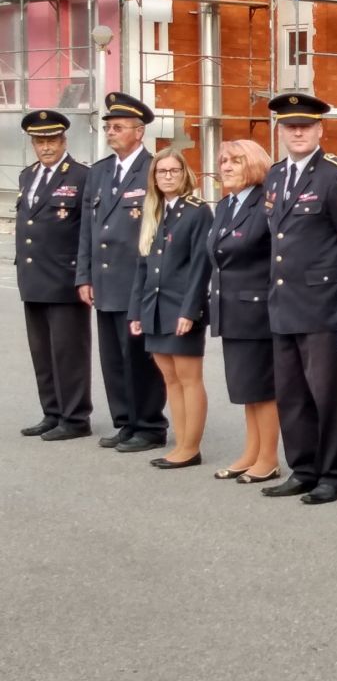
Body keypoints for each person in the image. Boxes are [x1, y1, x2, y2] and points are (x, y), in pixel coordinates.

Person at [260, 92, 337, 504]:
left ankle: (334, 474)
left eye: (304, 126)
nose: (297, 132)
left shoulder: (336, 176)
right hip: (284, 302)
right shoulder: (275, 175)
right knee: (291, 394)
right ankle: (303, 469)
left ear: (320, 129)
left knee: (328, 395)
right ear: (280, 131)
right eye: (289, 126)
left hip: (324, 305)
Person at [76, 92, 169, 453]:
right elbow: (89, 228)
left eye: (118, 127)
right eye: (108, 127)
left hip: (138, 280)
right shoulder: (99, 171)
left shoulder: (155, 168)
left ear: (139, 131)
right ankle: (125, 421)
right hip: (104, 280)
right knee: (113, 357)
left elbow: (163, 228)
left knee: (140, 356)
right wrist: (84, 275)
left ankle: (149, 425)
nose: (110, 133)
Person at [128, 149, 214, 469]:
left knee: (189, 378)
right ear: (153, 177)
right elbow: (142, 266)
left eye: (173, 170)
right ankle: (180, 444)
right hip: (154, 306)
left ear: (184, 173)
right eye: (161, 171)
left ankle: (191, 448)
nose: (167, 176)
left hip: (181, 308)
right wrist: (136, 312)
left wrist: (190, 311)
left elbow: (200, 266)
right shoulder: (154, 209)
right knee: (170, 378)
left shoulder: (197, 211)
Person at [15, 110, 93, 441]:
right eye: (39, 141)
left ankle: (75, 418)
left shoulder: (81, 176)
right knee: (42, 352)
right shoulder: (27, 175)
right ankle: (52, 412)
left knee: (69, 352)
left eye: (51, 140)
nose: (45, 147)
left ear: (64, 141)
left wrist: (85, 275)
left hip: (64, 279)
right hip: (33, 277)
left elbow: (87, 232)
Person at [208, 140, 281, 483]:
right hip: (231, 309)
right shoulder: (226, 205)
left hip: (256, 311)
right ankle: (251, 452)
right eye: (223, 161)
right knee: (246, 389)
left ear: (252, 165)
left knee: (263, 389)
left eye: (235, 161)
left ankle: (268, 458)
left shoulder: (266, 203)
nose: (225, 167)